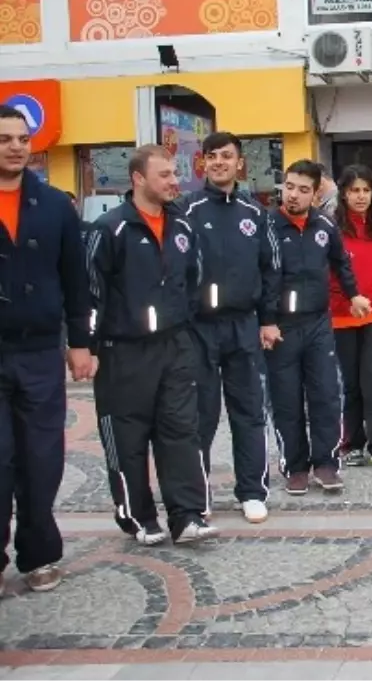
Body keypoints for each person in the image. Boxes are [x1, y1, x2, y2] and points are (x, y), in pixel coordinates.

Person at [86, 145, 217, 546]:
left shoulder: (183, 227)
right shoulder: (110, 229)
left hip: (175, 346)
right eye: (165, 175)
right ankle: (139, 516)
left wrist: (190, 330)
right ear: (139, 179)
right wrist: (86, 345)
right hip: (123, 352)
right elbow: (91, 293)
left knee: (181, 430)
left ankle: (187, 515)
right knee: (127, 439)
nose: (175, 181)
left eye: (175, 173)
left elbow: (195, 280)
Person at [0, 104, 92, 591]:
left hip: (39, 351)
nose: (16, 146)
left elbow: (76, 280)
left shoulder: (55, 204)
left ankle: (39, 555)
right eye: (5, 138)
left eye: (22, 138)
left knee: (41, 458)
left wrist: (80, 342)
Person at [177, 132, 279, 525]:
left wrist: (268, 319)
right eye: (212, 156)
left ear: (240, 164)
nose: (219, 162)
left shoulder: (255, 214)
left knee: (249, 411)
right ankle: (196, 493)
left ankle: (252, 491)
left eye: (227, 156)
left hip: (244, 326)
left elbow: (271, 269)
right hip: (199, 327)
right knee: (199, 415)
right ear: (203, 163)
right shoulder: (186, 209)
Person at [268, 160, 370, 496]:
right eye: (289, 186)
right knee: (286, 400)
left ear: (315, 194)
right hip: (280, 328)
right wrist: (263, 321)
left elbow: (341, 262)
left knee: (326, 394)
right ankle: (295, 467)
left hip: (318, 324)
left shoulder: (325, 227)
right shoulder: (266, 226)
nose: (293, 195)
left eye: (302, 189)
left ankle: (326, 463)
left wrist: (354, 294)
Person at [332, 165, 372, 467]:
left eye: (366, 190)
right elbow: (327, 274)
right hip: (341, 318)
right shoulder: (330, 228)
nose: (360, 196)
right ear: (344, 193)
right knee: (350, 383)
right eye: (354, 190)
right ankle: (352, 443)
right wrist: (348, 299)